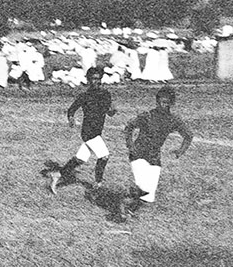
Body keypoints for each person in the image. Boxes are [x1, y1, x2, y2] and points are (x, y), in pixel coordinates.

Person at [119, 86, 195, 221]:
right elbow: (129, 127)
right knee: (141, 187)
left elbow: (188, 135)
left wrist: (181, 151)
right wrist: (130, 145)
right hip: (138, 154)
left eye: (166, 103)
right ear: (156, 101)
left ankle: (130, 209)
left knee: (148, 196)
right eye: (160, 101)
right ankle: (124, 206)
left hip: (154, 156)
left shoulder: (173, 119)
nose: (162, 105)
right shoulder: (147, 116)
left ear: (171, 104)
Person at [46, 68, 120, 194]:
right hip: (88, 131)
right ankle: (98, 184)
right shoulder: (85, 96)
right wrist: (71, 119)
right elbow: (71, 109)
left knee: (80, 159)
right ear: (88, 79)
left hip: (97, 130)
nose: (95, 81)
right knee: (104, 156)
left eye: (97, 79)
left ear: (101, 79)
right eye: (92, 79)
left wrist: (113, 110)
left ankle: (58, 174)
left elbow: (110, 113)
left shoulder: (106, 94)